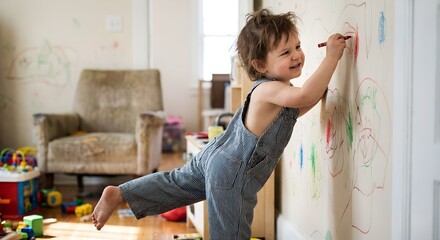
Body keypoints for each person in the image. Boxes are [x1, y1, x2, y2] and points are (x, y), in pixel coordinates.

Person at [91, 8, 347, 239]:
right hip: (232, 173)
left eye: (298, 47)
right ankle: (122, 194)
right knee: (230, 234)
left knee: (175, 184)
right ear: (260, 65)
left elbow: (299, 107)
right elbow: (305, 96)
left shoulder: (276, 93)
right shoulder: (269, 90)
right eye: (285, 52)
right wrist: (332, 58)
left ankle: (122, 193)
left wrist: (322, 87)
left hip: (216, 156)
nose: (296, 56)